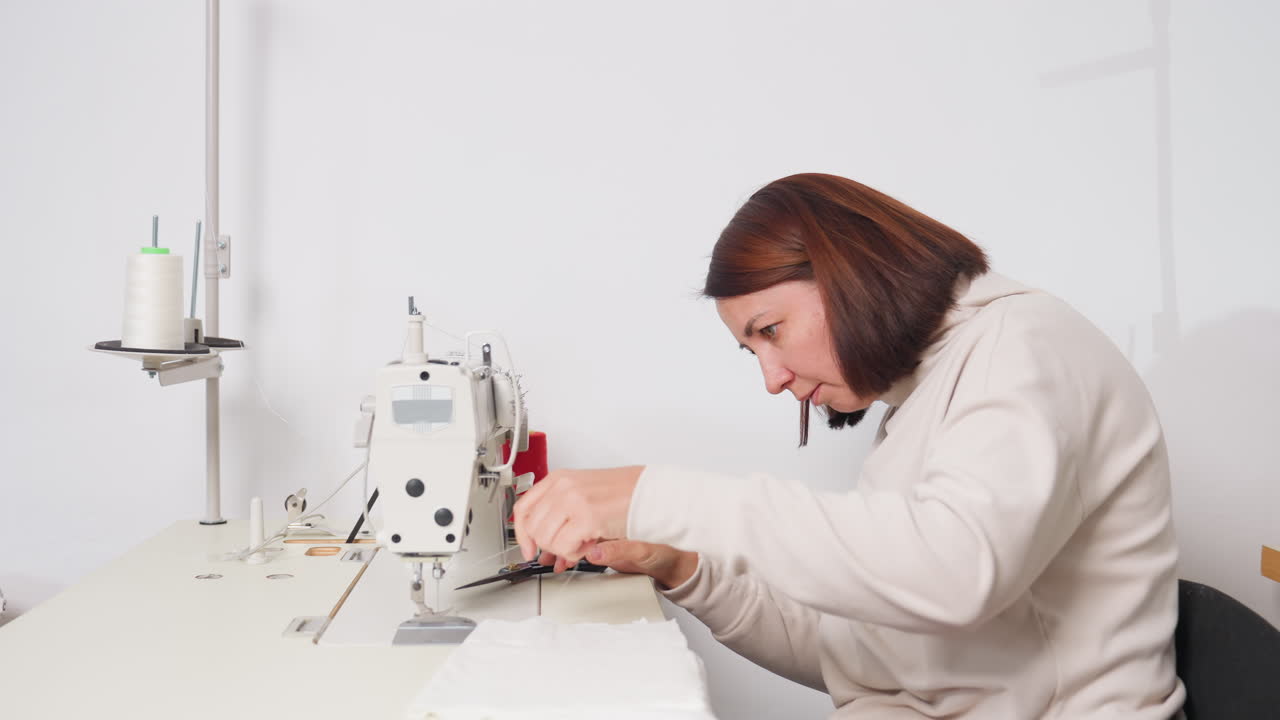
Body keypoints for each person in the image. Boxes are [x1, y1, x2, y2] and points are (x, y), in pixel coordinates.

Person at [513, 173, 1185, 718]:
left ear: (849, 273)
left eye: (769, 331)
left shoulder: (1024, 347)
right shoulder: (926, 399)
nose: (772, 379)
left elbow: (954, 571)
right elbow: (873, 656)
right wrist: (684, 569)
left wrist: (654, 495)